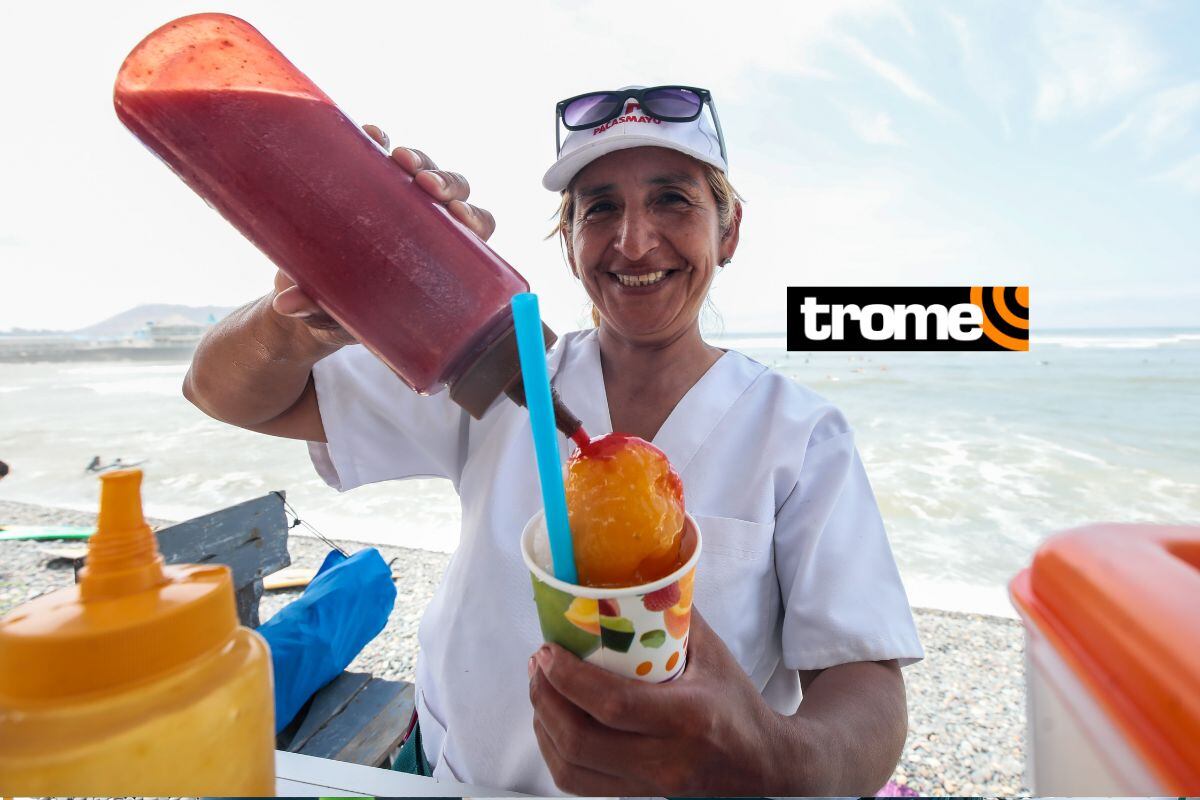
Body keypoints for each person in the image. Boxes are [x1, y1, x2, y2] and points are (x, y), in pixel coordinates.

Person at [184, 85, 923, 796]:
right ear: (569, 244)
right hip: (449, 779)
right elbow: (222, 392)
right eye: (599, 208)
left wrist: (764, 755)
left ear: (727, 232)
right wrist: (307, 314)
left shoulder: (797, 433)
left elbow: (865, 685)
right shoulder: (498, 374)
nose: (634, 241)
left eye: (672, 198)